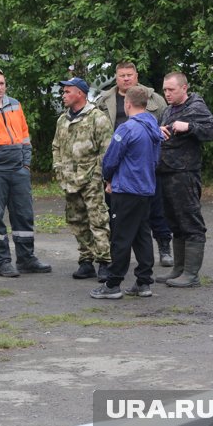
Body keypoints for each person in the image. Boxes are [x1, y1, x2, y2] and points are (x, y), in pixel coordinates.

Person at [0, 68, 52, 277]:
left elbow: (25, 136)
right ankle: (2, 262)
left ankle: (26, 259)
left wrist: (26, 164)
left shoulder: (15, 104)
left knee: (24, 215)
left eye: (2, 83)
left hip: (18, 170)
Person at [96, 62, 173, 267]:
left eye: (130, 75)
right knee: (123, 219)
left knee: (155, 210)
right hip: (119, 163)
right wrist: (109, 174)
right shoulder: (104, 100)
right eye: (122, 75)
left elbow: (166, 124)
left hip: (147, 163)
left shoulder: (153, 98)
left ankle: (164, 246)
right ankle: (135, 271)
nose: (126, 78)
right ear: (116, 77)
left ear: (136, 76)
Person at [91, 85, 161, 299]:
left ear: (127, 104)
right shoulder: (154, 127)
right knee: (142, 235)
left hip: (127, 188)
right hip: (146, 188)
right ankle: (143, 282)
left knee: (120, 236)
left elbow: (111, 158)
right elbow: (156, 159)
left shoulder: (127, 128)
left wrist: (108, 177)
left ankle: (113, 284)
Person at [156, 72, 213, 287]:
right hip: (166, 172)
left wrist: (190, 127)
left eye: (171, 90)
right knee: (174, 222)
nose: (167, 93)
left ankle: (191, 275)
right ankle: (178, 269)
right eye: (165, 90)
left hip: (185, 174)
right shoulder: (168, 110)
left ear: (184, 88)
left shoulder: (195, 107)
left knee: (190, 222)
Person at [52, 77, 114, 280]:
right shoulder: (63, 119)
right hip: (69, 180)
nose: (64, 95)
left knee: (98, 220)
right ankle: (86, 260)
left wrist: (101, 176)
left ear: (80, 93)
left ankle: (104, 261)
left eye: (68, 92)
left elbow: (107, 149)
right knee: (76, 220)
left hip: (91, 179)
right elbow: (56, 147)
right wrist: (59, 168)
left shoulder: (97, 117)